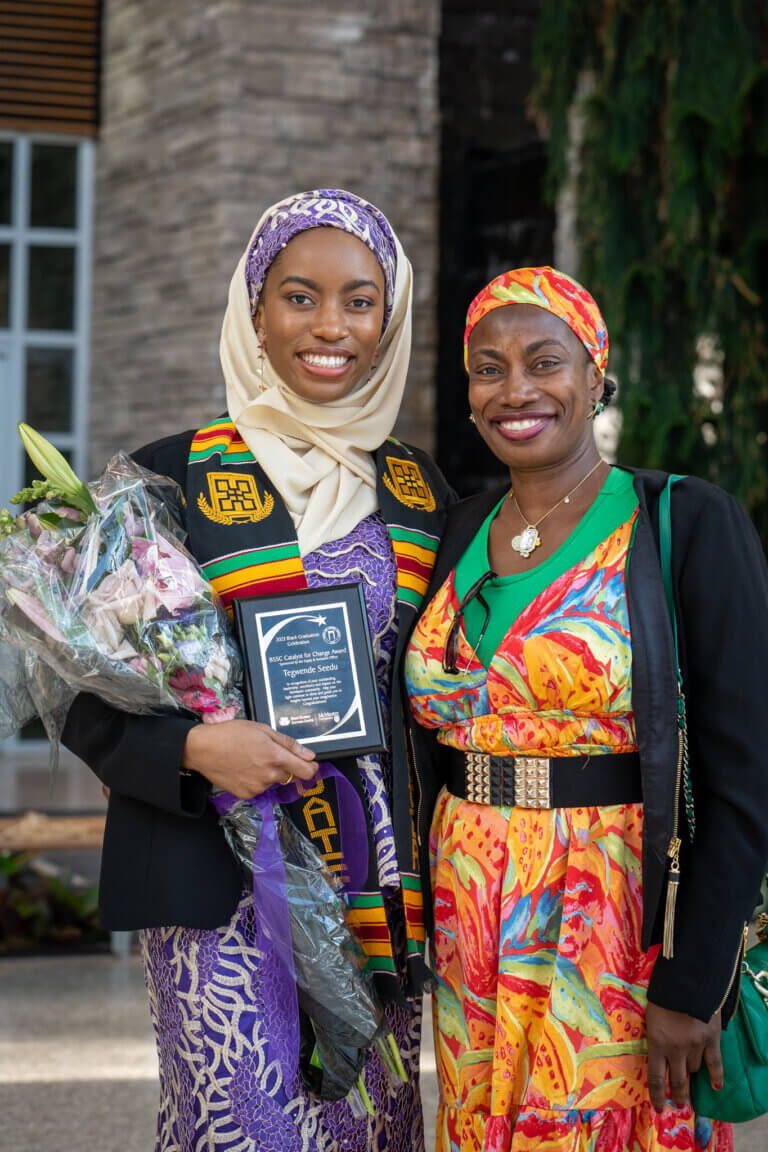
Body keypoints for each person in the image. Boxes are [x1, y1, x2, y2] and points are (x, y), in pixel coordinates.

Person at [62, 189, 454, 1151]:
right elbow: (78, 693)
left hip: (374, 880)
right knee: (245, 1125)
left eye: (360, 301)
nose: (331, 328)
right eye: (299, 296)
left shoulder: (420, 494)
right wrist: (194, 746)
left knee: (373, 1124)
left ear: (390, 317)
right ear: (253, 309)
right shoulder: (168, 477)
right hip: (216, 886)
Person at [404, 266, 768, 1152]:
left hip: (613, 922)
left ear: (596, 374)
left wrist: (694, 980)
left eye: (544, 361)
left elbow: (747, 771)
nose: (515, 389)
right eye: (487, 368)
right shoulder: (458, 529)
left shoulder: (682, 522)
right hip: (471, 922)